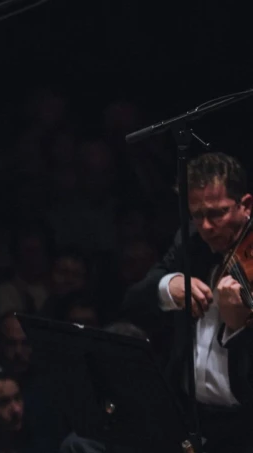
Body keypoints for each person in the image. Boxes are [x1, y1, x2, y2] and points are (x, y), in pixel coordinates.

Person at [121, 151, 253, 453]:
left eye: (217, 213)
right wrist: (169, 286)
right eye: (197, 214)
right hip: (191, 418)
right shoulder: (191, 240)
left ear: (246, 205)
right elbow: (134, 300)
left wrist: (239, 327)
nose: (206, 227)